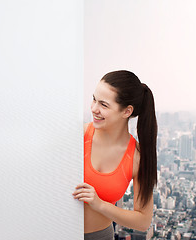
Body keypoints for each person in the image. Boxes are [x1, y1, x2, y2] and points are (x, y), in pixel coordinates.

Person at [73, 70, 157, 240]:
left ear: (127, 111)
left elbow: (143, 221)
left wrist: (99, 204)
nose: (94, 109)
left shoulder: (137, 158)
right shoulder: (77, 135)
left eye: (103, 105)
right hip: (54, 231)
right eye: (94, 99)